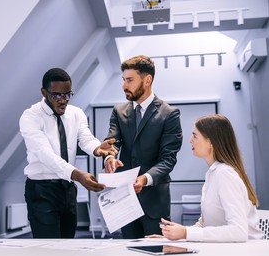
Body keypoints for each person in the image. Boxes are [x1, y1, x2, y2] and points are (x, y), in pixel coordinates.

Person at [19, 67, 117, 238]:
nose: (63, 100)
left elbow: (86, 139)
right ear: (44, 92)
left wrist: (98, 149)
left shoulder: (76, 113)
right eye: (56, 95)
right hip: (42, 190)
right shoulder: (31, 117)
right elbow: (45, 155)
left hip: (68, 190)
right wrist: (78, 175)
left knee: (68, 243)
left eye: (67, 95)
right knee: (49, 248)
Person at [104, 55, 183, 239]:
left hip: (155, 202)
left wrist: (145, 179)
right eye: (123, 80)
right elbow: (112, 142)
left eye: (130, 80)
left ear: (147, 80)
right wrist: (109, 158)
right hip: (124, 200)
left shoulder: (169, 114)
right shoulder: (119, 111)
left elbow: (168, 159)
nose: (124, 85)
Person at [155, 115, 263, 242]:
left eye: (195, 136)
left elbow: (239, 231)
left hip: (246, 253)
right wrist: (174, 236)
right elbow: (205, 224)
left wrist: (186, 233)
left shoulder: (224, 174)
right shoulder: (213, 173)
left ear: (211, 142)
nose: (190, 140)